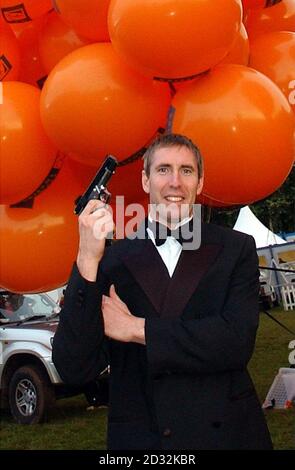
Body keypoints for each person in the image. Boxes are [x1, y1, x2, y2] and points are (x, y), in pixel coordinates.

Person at [52, 133, 272, 450]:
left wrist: (136, 329)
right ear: (145, 180)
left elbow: (235, 342)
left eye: (186, 170)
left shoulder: (236, 248)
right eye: (163, 169)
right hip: (144, 437)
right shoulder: (110, 260)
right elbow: (73, 366)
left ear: (200, 182)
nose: (175, 182)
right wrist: (86, 257)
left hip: (229, 434)